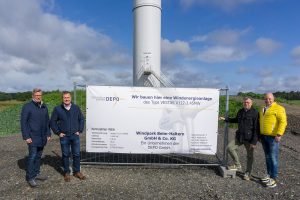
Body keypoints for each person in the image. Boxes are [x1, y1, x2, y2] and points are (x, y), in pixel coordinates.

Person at [220, 97, 259, 180]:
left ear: (251, 103)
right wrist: (225, 119)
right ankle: (237, 165)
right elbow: (235, 120)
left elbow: (256, 128)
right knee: (229, 148)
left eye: (248, 102)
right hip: (240, 137)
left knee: (249, 156)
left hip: (249, 139)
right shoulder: (240, 111)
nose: (246, 104)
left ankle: (247, 173)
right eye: (245, 102)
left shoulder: (255, 113)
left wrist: (254, 141)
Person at [50, 91, 85, 182]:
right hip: (64, 136)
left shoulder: (76, 108)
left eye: (68, 97)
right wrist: (58, 132)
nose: (66, 99)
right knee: (65, 155)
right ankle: (66, 172)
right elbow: (52, 122)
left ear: (71, 98)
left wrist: (80, 130)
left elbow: (81, 119)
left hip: (74, 135)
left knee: (76, 154)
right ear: (62, 99)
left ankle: (77, 171)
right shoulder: (57, 109)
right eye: (65, 98)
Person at [21, 88, 51, 187]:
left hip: (42, 137)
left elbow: (47, 122)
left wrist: (48, 133)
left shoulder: (44, 107)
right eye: (36, 95)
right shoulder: (27, 107)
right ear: (33, 95)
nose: (38, 97)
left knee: (39, 156)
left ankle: (36, 173)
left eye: (40, 95)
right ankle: (30, 177)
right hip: (32, 137)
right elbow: (23, 122)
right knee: (32, 156)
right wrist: (26, 136)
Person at [259, 93, 287, 188]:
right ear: (264, 99)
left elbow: (283, 122)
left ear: (273, 99)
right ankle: (269, 175)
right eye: (266, 99)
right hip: (264, 136)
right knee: (267, 157)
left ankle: (273, 179)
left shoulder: (279, 108)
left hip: (273, 137)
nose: (268, 100)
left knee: (273, 158)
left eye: (270, 99)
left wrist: (279, 134)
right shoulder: (262, 108)